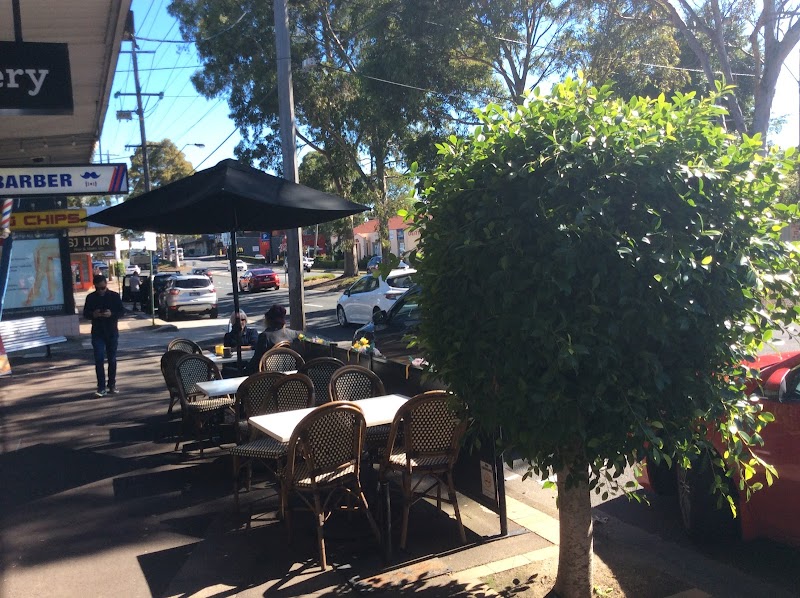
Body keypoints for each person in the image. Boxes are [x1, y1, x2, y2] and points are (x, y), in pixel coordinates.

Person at [83, 274, 125, 397]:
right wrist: (93, 314)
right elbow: (85, 313)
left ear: (106, 285)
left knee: (112, 359)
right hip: (98, 332)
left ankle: (112, 384)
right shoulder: (91, 297)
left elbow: (122, 312)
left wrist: (111, 314)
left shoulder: (114, 296)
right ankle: (101, 387)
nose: (101, 291)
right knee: (99, 359)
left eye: (103, 288)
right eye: (98, 288)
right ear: (94, 287)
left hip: (111, 331)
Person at [246, 305, 301, 374]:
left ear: (268, 320)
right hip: (293, 374)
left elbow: (256, 361)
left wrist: (244, 370)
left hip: (271, 375)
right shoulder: (295, 334)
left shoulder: (264, 337)